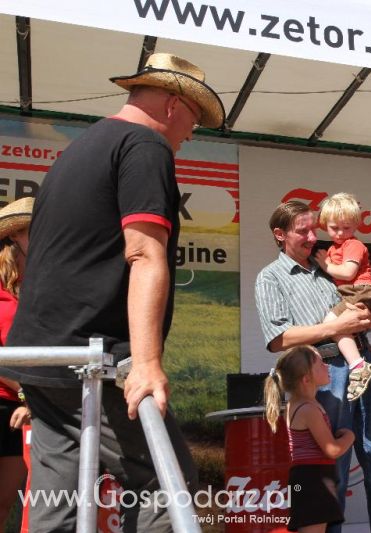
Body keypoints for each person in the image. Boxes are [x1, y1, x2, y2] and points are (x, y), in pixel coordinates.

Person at [0, 53, 225, 531]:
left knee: (57, 496)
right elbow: (144, 253)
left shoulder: (81, 148)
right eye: (193, 118)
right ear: (171, 104)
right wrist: (145, 364)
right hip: (91, 359)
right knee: (165, 486)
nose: (191, 133)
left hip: (40, 354)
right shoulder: (145, 146)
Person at [254, 200, 371, 533]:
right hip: (322, 375)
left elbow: (358, 305)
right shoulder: (270, 277)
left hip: (363, 363)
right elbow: (279, 338)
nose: (312, 237)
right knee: (332, 469)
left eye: (313, 229)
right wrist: (333, 329)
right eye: (302, 231)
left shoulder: (328, 266)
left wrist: (365, 319)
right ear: (280, 234)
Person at [264, 345, 355, 533]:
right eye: (320, 364)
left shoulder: (301, 405)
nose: (327, 366)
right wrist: (350, 436)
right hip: (313, 480)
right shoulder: (309, 409)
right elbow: (333, 450)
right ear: (306, 379)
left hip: (310, 478)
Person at [314, 192, 371, 402]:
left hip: (360, 290)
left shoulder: (354, 245)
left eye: (347, 227)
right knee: (342, 327)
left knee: (331, 323)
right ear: (324, 224)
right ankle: (358, 363)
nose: (341, 232)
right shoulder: (336, 247)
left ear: (356, 226)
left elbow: (347, 273)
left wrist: (326, 265)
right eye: (335, 227)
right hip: (353, 293)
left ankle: (357, 365)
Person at [0, 198, 33, 529]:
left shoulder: (25, 297)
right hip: (13, 403)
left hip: (17, 410)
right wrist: (31, 394)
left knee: (6, 501)